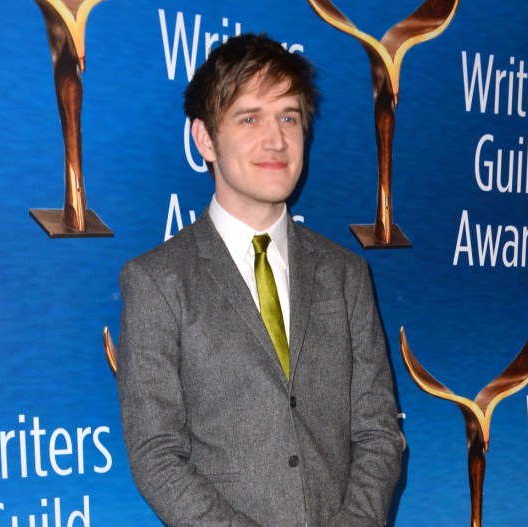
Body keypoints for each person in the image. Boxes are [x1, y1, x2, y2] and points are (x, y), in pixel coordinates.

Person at [116, 33, 403, 527]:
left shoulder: (346, 274)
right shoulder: (157, 281)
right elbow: (157, 454)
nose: (276, 140)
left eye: (288, 117)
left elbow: (379, 432)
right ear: (205, 138)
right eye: (250, 118)